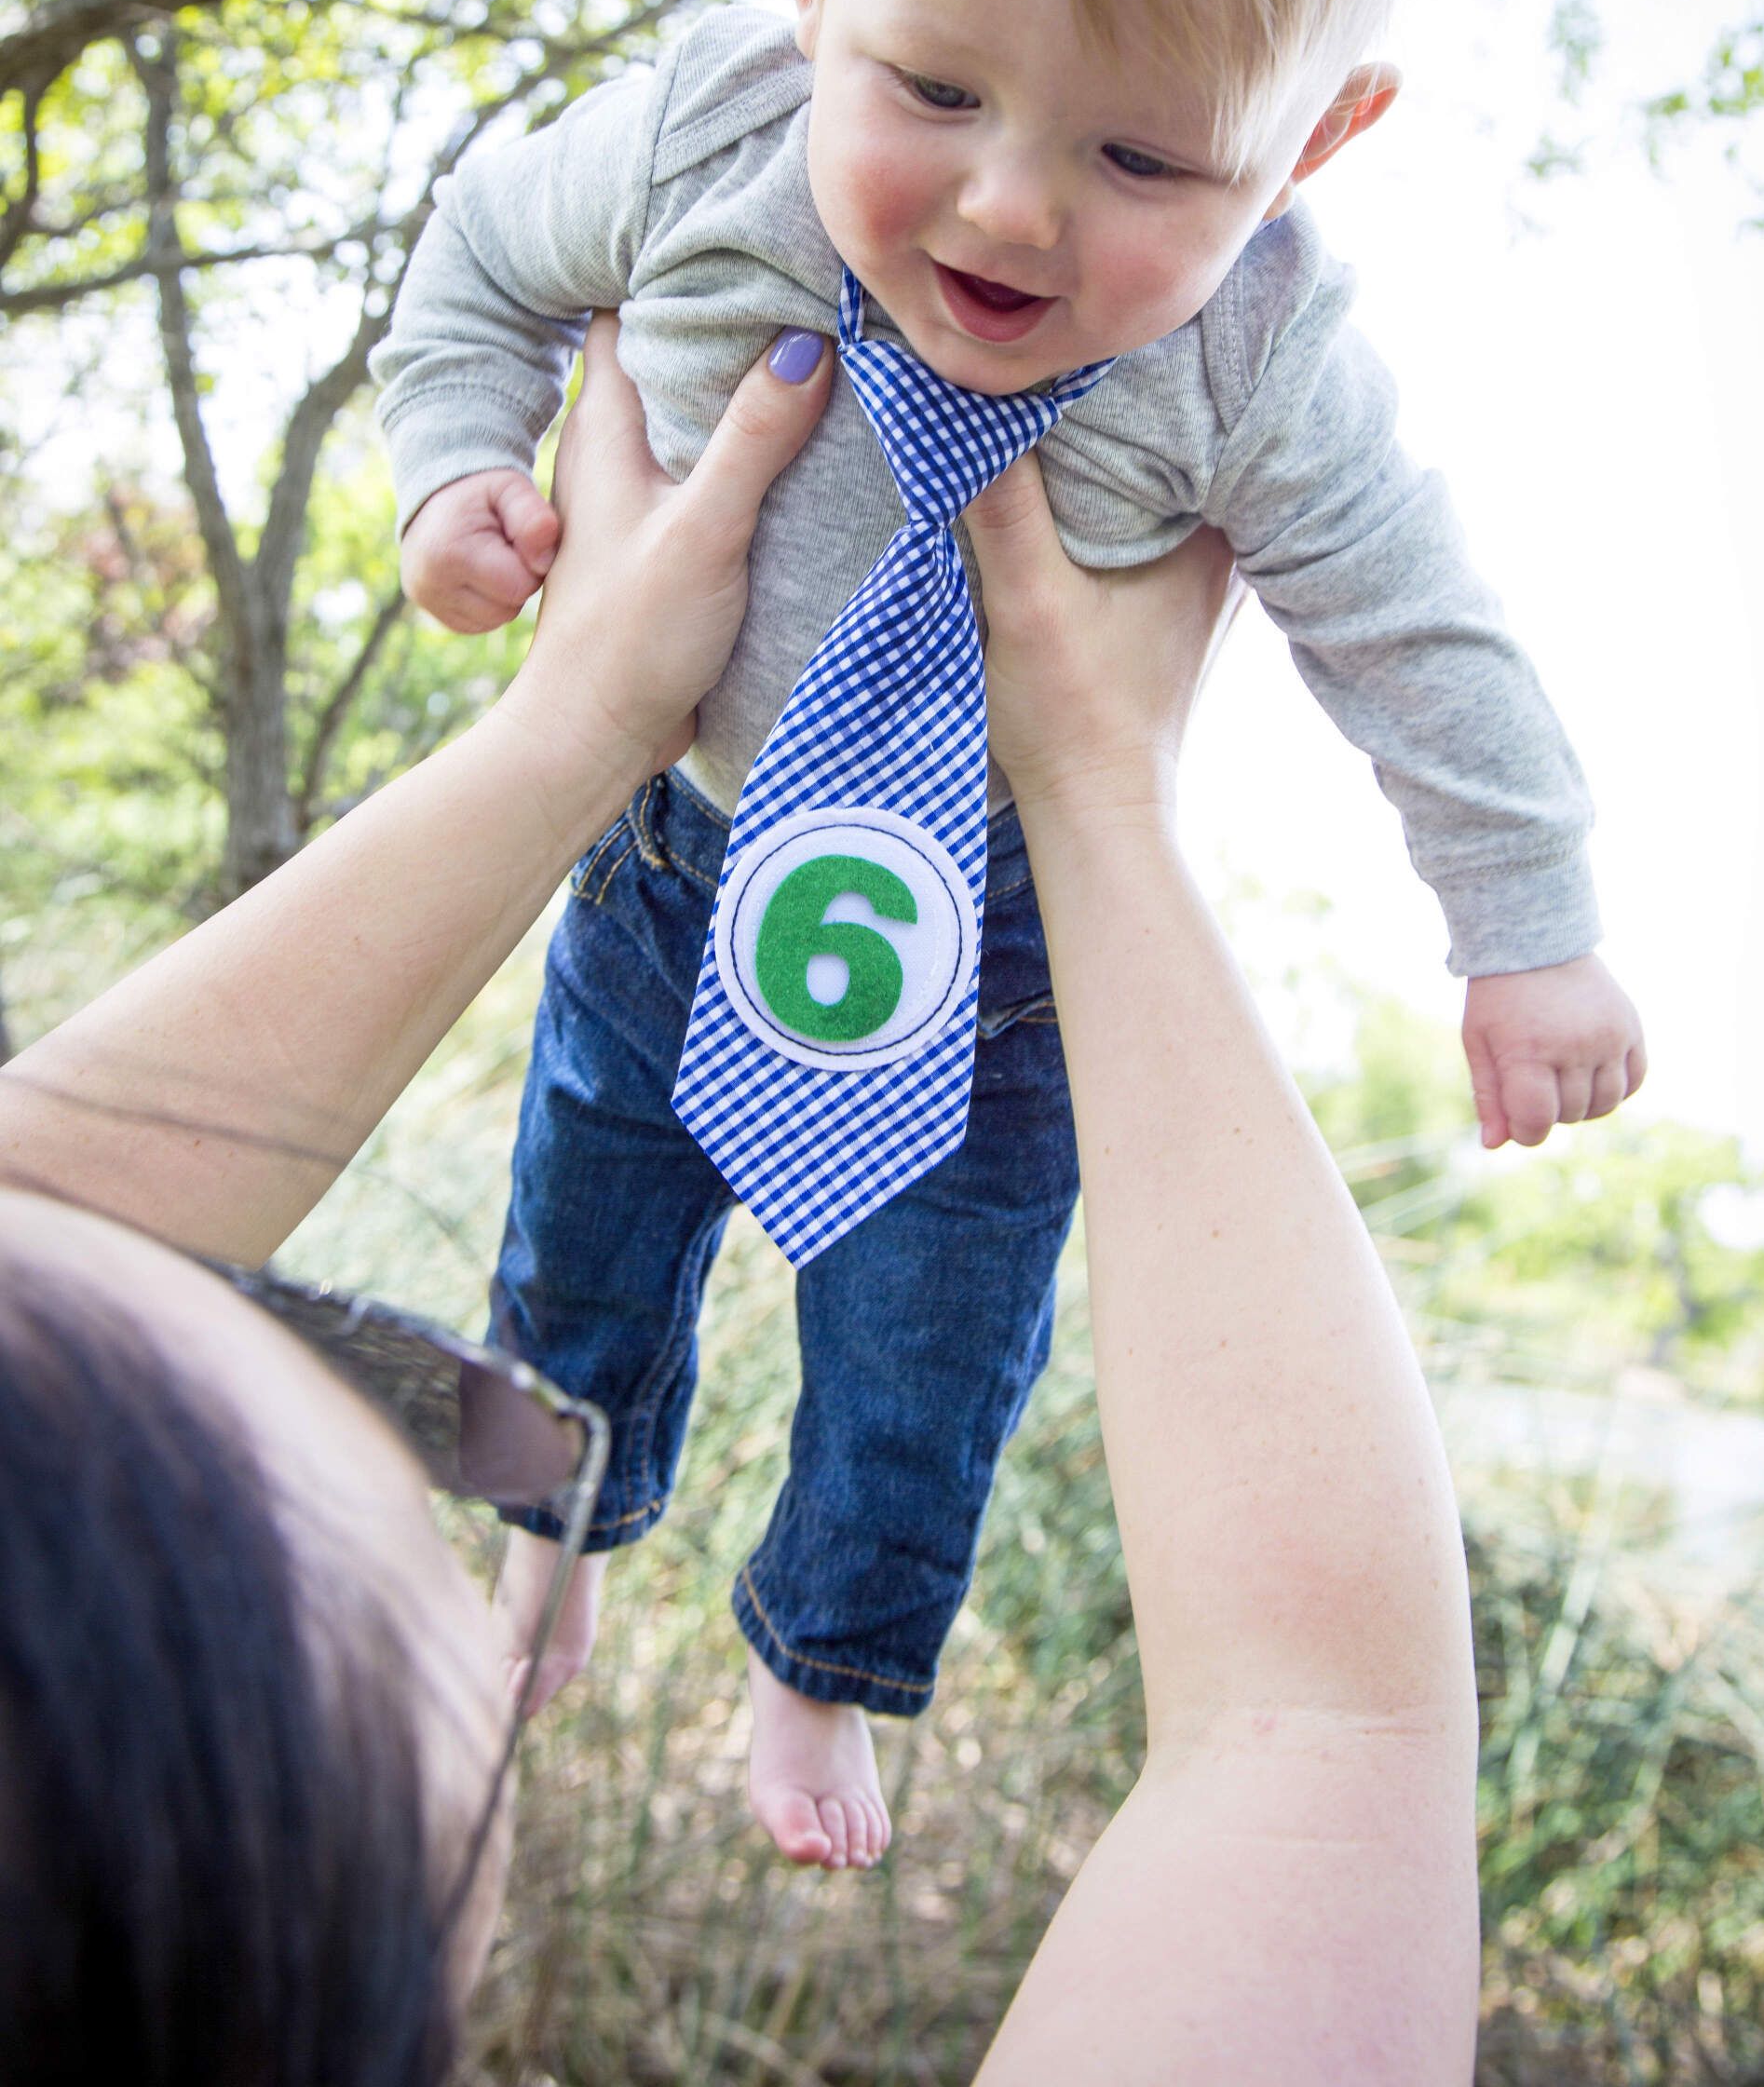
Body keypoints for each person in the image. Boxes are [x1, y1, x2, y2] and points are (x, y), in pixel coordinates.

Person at [371, 0, 1641, 1868]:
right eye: (937, 88)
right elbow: (476, 267)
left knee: (932, 1360)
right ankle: (547, 1540)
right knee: (581, 1229)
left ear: (1321, 136)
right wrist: (458, 476)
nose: (1011, 205)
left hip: (1000, 972)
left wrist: (1528, 918)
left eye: (1154, 160)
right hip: (672, 866)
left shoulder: (1264, 361)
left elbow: (1415, 627)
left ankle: (826, 1668)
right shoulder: (705, 139)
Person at [0, 325, 1481, 2080]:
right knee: (714, 1290)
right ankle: (738, 1616)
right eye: (389, 1421)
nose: (408, 1371)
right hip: (830, 895)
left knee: (607, 1287)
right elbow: (1326, 1730)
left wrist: (584, 715)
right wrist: (1102, 799)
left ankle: (592, 1563)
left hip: (711, 818)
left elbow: (46, 1223)